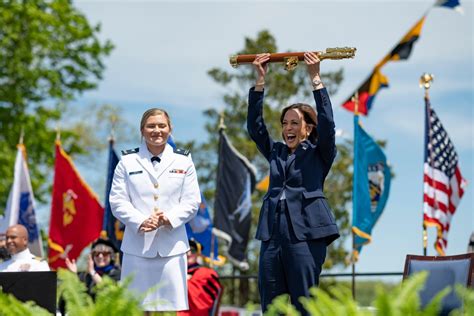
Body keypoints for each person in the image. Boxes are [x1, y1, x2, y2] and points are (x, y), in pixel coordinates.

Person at [247, 52, 340, 315]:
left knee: (305, 306)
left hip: (307, 234)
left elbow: (329, 124)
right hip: (272, 234)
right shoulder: (276, 151)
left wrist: (316, 78)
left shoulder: (319, 152)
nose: (288, 127)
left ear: (308, 128)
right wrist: (260, 81)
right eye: (285, 123)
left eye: (295, 123)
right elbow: (255, 129)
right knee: (272, 306)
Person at [109, 108, 201, 313]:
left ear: (170, 129)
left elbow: (192, 201)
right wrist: (140, 220)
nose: (157, 130)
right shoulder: (127, 161)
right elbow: (117, 201)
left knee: (169, 309)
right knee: (135, 308)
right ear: (142, 130)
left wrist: (168, 218)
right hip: (137, 248)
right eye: (151, 126)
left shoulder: (183, 161)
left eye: (162, 125)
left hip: (172, 248)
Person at [177, 239, 222, 316]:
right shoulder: (176, 273)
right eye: (185, 251)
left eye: (193, 250)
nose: (189, 253)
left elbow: (202, 304)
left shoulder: (207, 273)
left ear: (198, 254)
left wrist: (185, 282)